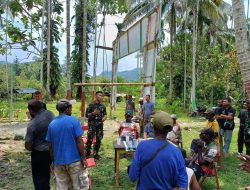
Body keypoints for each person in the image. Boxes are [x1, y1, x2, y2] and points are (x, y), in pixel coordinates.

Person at [128, 111, 188, 190]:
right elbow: (183, 186)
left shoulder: (142, 146)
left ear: (153, 126)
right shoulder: (177, 152)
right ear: (169, 129)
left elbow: (132, 177)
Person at [46, 99, 89, 190]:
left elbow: (50, 146)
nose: (72, 110)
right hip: (75, 162)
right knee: (79, 186)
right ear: (67, 109)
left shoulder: (52, 124)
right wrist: (84, 158)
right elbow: (79, 141)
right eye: (71, 108)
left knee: (61, 187)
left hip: (59, 162)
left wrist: (54, 162)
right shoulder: (74, 121)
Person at [24, 100, 54, 190]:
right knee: (46, 173)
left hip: (39, 153)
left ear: (31, 111)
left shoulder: (32, 125)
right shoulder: (50, 114)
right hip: (52, 150)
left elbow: (28, 146)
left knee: (38, 177)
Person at [85, 91, 107, 160]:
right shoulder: (91, 104)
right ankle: (87, 153)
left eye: (102, 96)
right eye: (100, 95)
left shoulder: (103, 105)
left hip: (100, 125)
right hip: (92, 125)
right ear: (96, 96)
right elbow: (86, 115)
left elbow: (105, 114)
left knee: (99, 139)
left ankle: (96, 154)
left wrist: (104, 117)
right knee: (90, 139)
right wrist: (93, 113)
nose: (101, 97)